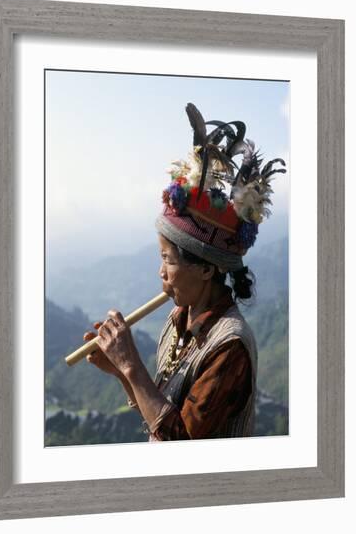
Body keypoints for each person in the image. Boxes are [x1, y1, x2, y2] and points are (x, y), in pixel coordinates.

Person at [84, 103, 286, 441]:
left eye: (169, 259)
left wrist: (132, 365)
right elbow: (160, 415)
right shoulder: (178, 321)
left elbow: (181, 445)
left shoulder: (229, 345)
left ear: (206, 270)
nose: (161, 272)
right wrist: (121, 371)